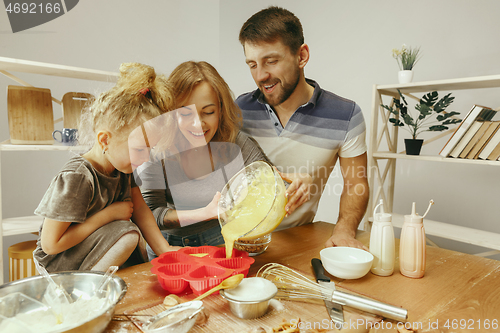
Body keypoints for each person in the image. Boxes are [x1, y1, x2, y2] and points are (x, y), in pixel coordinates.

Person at [137, 61, 311, 260]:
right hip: (167, 245)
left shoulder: (235, 142)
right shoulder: (156, 150)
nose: (198, 124)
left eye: (208, 112)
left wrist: (298, 185)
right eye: (185, 113)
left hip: (218, 239)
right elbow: (152, 215)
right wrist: (205, 212)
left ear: (221, 110)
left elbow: (268, 183)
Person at [236, 7, 369, 250]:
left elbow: (355, 184)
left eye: (271, 61)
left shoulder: (347, 115)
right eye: (252, 64)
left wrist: (344, 231)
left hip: (297, 243)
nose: (261, 75)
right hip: (240, 242)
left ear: (302, 56)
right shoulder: (237, 112)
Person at [33, 63, 181, 272]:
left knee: (132, 235)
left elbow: (140, 209)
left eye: (150, 149)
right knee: (127, 233)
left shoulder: (122, 168)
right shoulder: (78, 177)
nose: (146, 158)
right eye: (140, 149)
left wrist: (164, 249)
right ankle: (85, 293)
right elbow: (50, 244)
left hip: (93, 250)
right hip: (59, 265)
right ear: (105, 140)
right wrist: (107, 215)